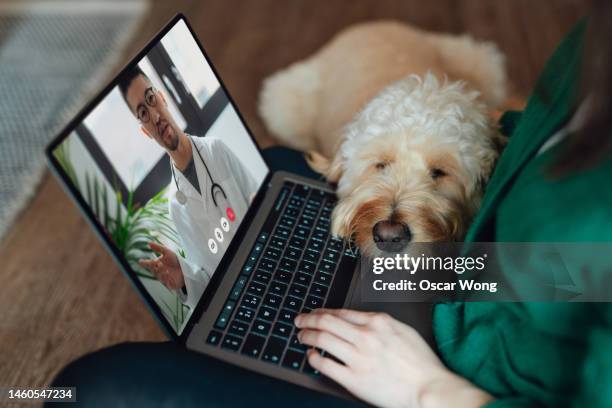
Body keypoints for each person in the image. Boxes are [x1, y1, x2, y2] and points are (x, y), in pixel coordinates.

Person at [50, 5, 612, 407]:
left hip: (448, 376)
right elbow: (561, 257)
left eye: (154, 102)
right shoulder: (595, 41)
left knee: (79, 388)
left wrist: (428, 390)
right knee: (273, 172)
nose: (155, 118)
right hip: (473, 274)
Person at [119, 66, 258, 309]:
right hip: (240, 299)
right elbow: (206, 280)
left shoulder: (216, 150)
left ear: (163, 98)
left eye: (151, 99)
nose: (155, 117)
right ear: (144, 131)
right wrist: (184, 279)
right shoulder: (176, 206)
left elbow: (260, 198)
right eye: (143, 113)